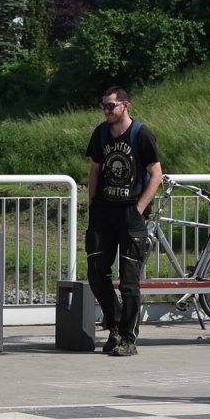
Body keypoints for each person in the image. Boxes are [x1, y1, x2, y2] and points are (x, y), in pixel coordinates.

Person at [85, 85, 164, 357]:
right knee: (96, 271)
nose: (106, 110)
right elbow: (95, 168)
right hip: (103, 212)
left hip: (130, 213)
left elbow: (156, 174)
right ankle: (116, 324)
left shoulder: (141, 134)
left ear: (125, 105)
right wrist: (92, 202)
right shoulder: (101, 133)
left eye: (111, 106)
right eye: (104, 106)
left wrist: (139, 208)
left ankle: (128, 339)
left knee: (129, 282)